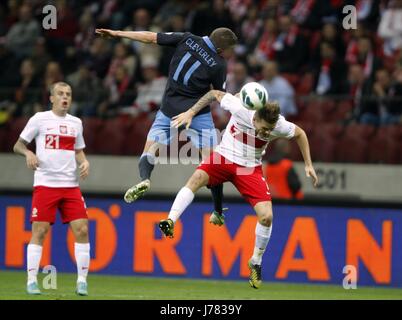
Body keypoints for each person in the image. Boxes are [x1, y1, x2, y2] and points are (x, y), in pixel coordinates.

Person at [158, 88, 318, 289]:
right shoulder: (239, 107)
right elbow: (213, 93)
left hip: (249, 169)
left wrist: (308, 164)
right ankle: (171, 220)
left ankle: (256, 261)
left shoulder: (279, 124)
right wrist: (191, 112)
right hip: (224, 158)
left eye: (270, 130)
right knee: (196, 178)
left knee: (267, 217)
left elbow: (300, 134)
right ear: (255, 117)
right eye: (264, 128)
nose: (267, 133)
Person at [95, 27, 238, 219]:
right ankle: (218, 210)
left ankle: (145, 178)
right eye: (230, 50)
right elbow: (217, 94)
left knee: (149, 150)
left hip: (169, 110)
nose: (231, 54)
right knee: (213, 163)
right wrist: (236, 101)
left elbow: (150, 37)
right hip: (197, 114)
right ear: (222, 49)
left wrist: (118, 34)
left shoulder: (187, 38)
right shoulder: (219, 64)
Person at [13, 82, 91, 296]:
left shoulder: (76, 123)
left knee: (82, 229)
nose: (65, 97)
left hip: (70, 186)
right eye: (61, 93)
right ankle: (31, 281)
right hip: (46, 184)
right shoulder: (39, 119)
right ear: (52, 98)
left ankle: (82, 281)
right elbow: (18, 145)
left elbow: (78, 150)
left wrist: (84, 162)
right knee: (40, 231)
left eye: (68, 94)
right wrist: (28, 153)